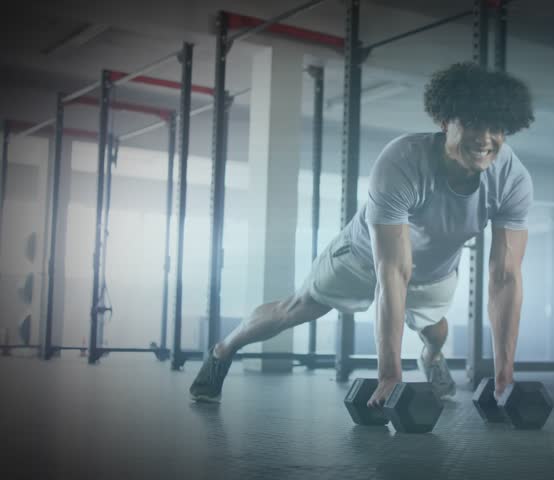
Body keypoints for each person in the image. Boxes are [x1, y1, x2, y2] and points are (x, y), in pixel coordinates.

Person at [190, 62, 535, 408]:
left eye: (496, 127)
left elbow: (505, 276)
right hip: (362, 258)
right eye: (473, 123)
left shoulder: (511, 179)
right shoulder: (402, 161)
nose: (485, 138)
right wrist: (389, 375)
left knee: (436, 331)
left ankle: (431, 358)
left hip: (433, 270)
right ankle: (224, 350)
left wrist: (505, 374)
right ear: (445, 122)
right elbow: (393, 271)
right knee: (296, 309)